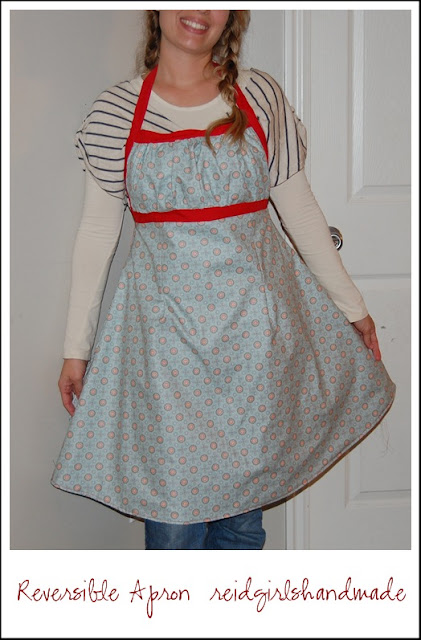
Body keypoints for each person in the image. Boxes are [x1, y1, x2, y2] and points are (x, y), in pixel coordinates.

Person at [51, 10, 395, 550]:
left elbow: (300, 210)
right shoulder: (115, 112)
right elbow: (97, 233)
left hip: (254, 344)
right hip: (165, 349)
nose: (200, 11)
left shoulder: (258, 96)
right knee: (174, 525)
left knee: (241, 523)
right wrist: (77, 348)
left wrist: (352, 308)